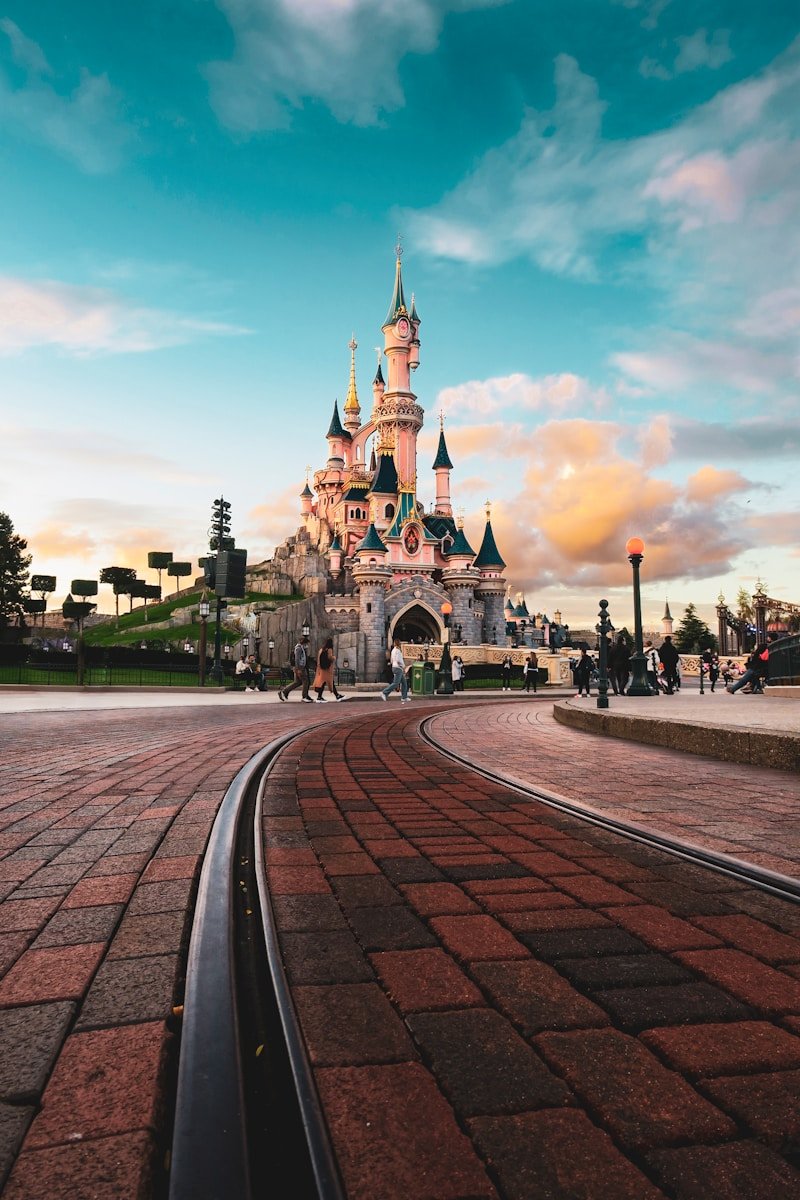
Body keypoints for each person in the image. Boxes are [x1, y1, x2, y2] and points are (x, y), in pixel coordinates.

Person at [278, 634, 313, 703]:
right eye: (306, 643)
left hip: (300, 667)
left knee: (298, 682)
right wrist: (299, 668)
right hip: (300, 667)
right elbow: (297, 659)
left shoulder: (301, 648)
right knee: (306, 681)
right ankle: (304, 696)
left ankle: (284, 691)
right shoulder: (299, 648)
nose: (307, 645)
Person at [313, 636, 346, 702]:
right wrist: (334, 657)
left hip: (321, 668)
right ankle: (320, 697)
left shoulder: (321, 649)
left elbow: (319, 659)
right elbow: (330, 657)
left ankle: (336, 695)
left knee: (327, 682)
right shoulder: (329, 649)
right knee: (327, 682)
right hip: (327, 669)